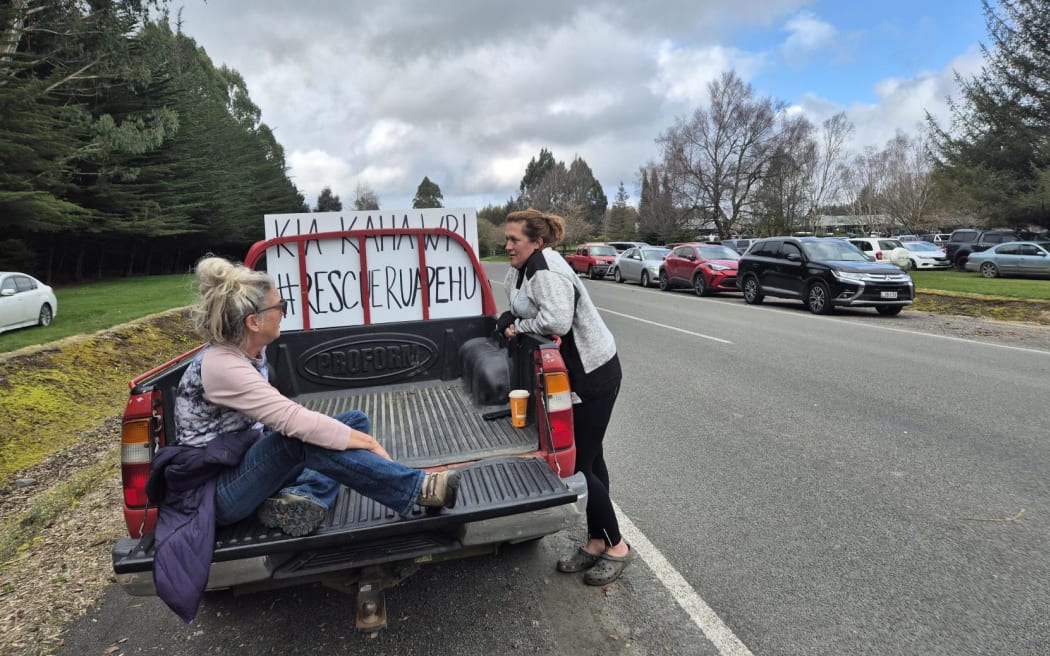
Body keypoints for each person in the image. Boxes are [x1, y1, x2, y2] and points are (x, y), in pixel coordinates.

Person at [147, 255, 460, 622]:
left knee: (353, 421)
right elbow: (292, 421)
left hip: (238, 463)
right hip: (212, 493)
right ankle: (414, 490)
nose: (284, 311)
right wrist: (370, 445)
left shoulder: (248, 350)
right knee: (304, 438)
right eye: (279, 306)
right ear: (253, 321)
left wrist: (353, 436)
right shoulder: (222, 365)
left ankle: (302, 498)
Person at [498, 208, 633, 586]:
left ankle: (617, 547)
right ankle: (595, 541)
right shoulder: (525, 267)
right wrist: (510, 317)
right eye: (506, 239)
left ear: (537, 242)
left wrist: (518, 328)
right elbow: (524, 303)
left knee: (577, 467)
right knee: (592, 460)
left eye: (514, 240)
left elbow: (556, 320)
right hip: (575, 378)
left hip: (594, 375)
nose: (507, 245)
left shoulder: (547, 269)